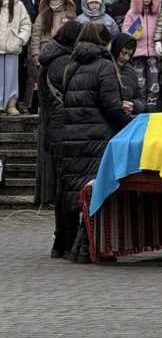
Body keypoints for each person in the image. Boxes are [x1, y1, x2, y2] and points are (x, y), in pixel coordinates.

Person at [61, 22, 133, 263]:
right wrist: (131, 126)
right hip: (98, 136)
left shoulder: (71, 66)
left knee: (84, 192)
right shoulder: (104, 66)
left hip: (73, 136)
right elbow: (112, 108)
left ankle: (79, 250)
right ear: (105, 42)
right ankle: (93, 249)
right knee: (99, 192)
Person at [36, 21, 81, 258]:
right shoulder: (62, 62)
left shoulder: (51, 58)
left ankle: (61, 240)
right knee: (66, 185)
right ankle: (66, 238)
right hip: (63, 126)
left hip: (54, 126)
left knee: (63, 183)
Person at [121, 0, 162, 109]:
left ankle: (152, 104)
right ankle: (141, 104)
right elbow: (124, 31)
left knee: (153, 80)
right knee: (139, 80)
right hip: (137, 53)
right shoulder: (132, 13)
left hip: (153, 53)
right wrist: (134, 32)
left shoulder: (157, 13)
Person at [0, 0, 32, 115]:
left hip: (12, 46)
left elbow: (26, 24)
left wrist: (20, 40)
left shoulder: (18, 4)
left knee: (12, 78)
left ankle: (10, 104)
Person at [30, 0, 77, 69]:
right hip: (45, 51)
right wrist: (35, 52)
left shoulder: (70, 15)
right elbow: (36, 33)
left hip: (65, 52)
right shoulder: (43, 14)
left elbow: (76, 35)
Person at [109, 34, 148, 117]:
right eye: (124, 53)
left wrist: (133, 105)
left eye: (130, 55)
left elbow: (142, 100)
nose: (126, 58)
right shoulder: (101, 68)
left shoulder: (130, 72)